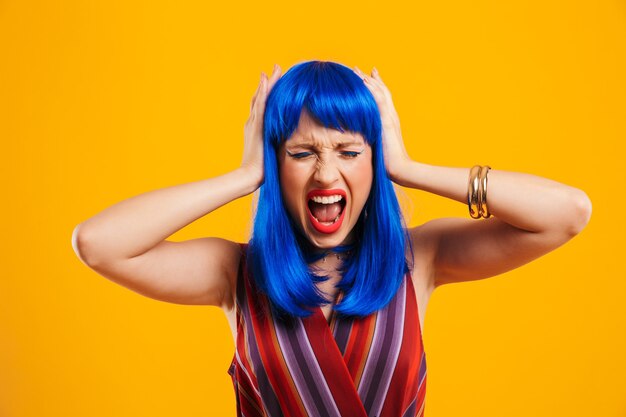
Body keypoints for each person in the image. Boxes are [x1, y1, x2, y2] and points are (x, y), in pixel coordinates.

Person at [71, 60, 592, 417]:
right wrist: (245, 175)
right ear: (278, 164)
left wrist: (408, 168)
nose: (326, 175)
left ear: (375, 157)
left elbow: (567, 213)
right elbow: (98, 243)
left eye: (348, 151)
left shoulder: (421, 259)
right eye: (301, 153)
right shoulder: (236, 274)